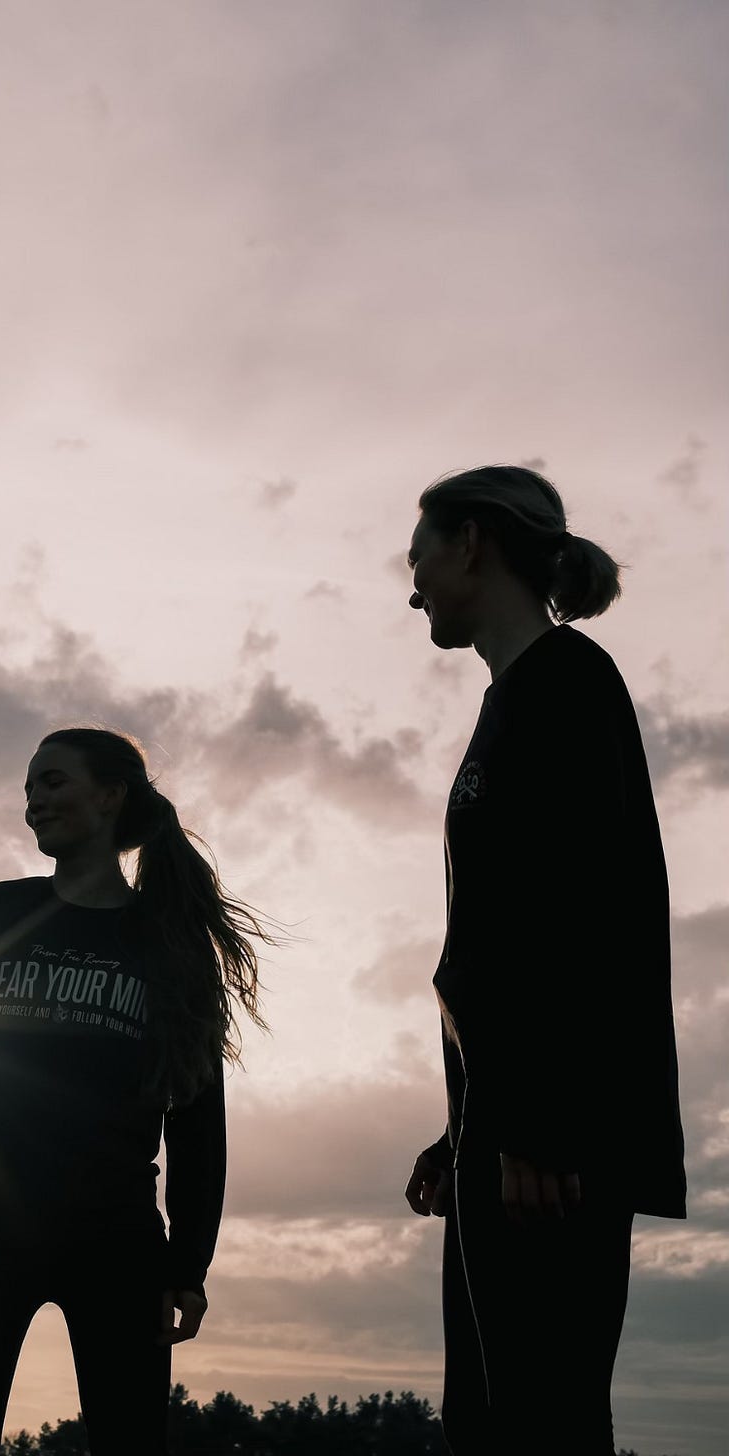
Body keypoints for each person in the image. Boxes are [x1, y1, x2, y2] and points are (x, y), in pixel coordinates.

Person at [0, 726, 270, 1456]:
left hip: (116, 1245)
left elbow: (198, 1125)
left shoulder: (170, 948)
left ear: (110, 796)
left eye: (53, 782)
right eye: (28, 788)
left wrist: (189, 1268)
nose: (34, 801)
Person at [399, 466, 686, 1455]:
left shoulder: (567, 679)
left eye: (420, 555)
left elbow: (582, 913)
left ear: (470, 541)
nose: (412, 586)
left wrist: (534, 1124)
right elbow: (502, 933)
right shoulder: (512, 699)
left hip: (549, 1150)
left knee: (542, 1422)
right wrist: (465, 1124)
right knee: (487, 1420)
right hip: (507, 1132)